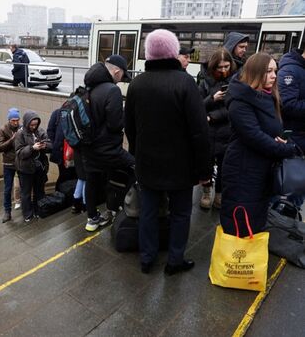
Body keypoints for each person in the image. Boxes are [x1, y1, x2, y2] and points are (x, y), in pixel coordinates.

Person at [125, 29, 211, 275]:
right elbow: (199, 132)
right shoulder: (185, 82)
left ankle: (147, 258)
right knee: (181, 214)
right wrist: (204, 170)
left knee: (148, 212)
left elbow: (129, 126)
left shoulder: (137, 83)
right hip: (181, 167)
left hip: (147, 164)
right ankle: (174, 260)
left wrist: (138, 153)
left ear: (148, 53)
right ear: (174, 52)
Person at [220, 52, 297, 237]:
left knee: (255, 221)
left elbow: (272, 130)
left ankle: (249, 260)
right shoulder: (240, 100)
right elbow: (254, 136)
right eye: (268, 71)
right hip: (243, 171)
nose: (274, 75)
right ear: (255, 73)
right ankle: (236, 262)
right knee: (241, 223)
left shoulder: (268, 96)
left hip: (259, 170)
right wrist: (286, 148)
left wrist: (285, 140)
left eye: (275, 71)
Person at [81, 54, 135, 232]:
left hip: (88, 148)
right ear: (117, 71)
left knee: (92, 180)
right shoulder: (112, 91)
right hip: (108, 149)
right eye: (121, 77)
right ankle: (123, 208)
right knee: (134, 167)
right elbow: (114, 125)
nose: (121, 81)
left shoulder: (88, 87)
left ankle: (92, 219)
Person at [197, 48, 237, 210]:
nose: (223, 70)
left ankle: (219, 195)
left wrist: (213, 116)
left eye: (226, 66)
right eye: (219, 67)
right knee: (205, 165)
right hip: (207, 132)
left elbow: (235, 108)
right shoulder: (204, 81)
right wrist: (211, 98)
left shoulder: (236, 80)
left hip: (226, 131)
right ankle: (206, 192)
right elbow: (197, 106)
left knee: (223, 167)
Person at [277, 47, 305, 207]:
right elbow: (288, 104)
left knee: (299, 189)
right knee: (289, 186)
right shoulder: (290, 70)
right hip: (293, 139)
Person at [15, 111, 52, 222]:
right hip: (25, 169)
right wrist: (32, 148)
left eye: (36, 124)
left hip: (39, 167)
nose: (34, 127)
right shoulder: (20, 134)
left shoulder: (40, 131)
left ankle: (39, 211)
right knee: (26, 193)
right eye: (31, 125)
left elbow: (50, 145)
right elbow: (19, 153)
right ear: (26, 123)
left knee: (40, 191)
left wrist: (45, 146)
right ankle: (28, 214)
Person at [0, 107, 21, 222]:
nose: (16, 122)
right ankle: (7, 212)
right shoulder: (3, 129)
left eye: (17, 120)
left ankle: (26, 206)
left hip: (21, 161)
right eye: (13, 120)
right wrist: (12, 139)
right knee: (7, 189)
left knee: (25, 185)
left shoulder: (22, 128)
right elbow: (0, 147)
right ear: (9, 120)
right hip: (8, 163)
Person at [47, 107, 77, 191]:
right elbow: (50, 131)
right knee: (64, 175)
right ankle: (60, 194)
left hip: (73, 152)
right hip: (61, 152)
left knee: (73, 175)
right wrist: (56, 144)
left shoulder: (75, 113)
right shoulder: (57, 113)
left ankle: (67, 195)